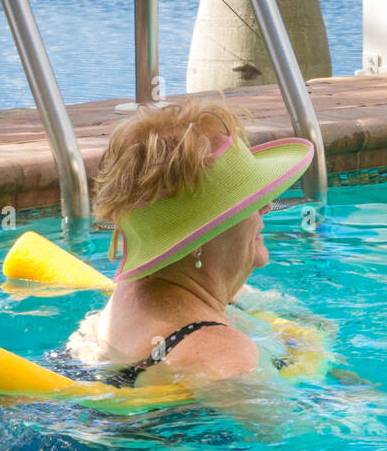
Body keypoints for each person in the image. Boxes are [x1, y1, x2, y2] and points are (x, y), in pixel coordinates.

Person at [70, 100, 314, 389]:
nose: (266, 207)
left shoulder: (121, 303)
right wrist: (314, 358)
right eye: (249, 200)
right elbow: (298, 429)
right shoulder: (229, 358)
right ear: (199, 237)